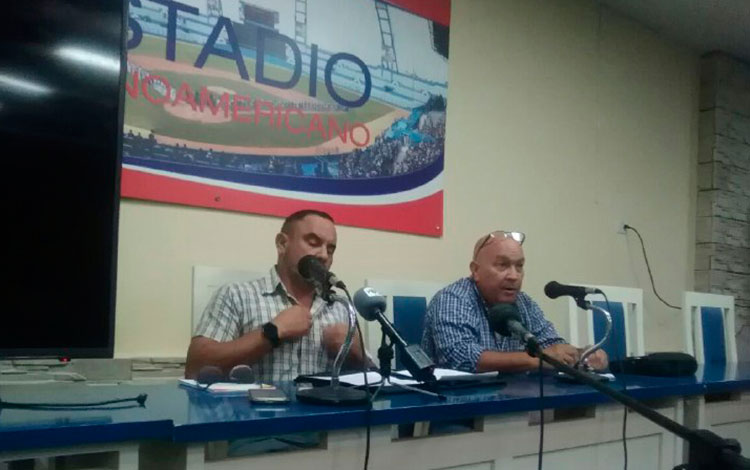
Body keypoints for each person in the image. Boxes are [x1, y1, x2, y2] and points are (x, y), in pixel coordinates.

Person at [185, 209, 365, 383]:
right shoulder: (236, 295)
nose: (324, 255)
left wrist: (355, 352)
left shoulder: (341, 307)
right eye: (313, 242)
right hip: (253, 413)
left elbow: (370, 380)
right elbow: (195, 368)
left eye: (331, 249)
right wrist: (272, 332)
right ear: (282, 244)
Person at [422, 230, 608, 373]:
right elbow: (462, 357)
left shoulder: (524, 303)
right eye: (502, 265)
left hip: (514, 405)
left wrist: (582, 354)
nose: (513, 275)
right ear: (475, 270)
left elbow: (551, 344)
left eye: (519, 266)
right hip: (457, 409)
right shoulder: (453, 299)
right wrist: (540, 359)